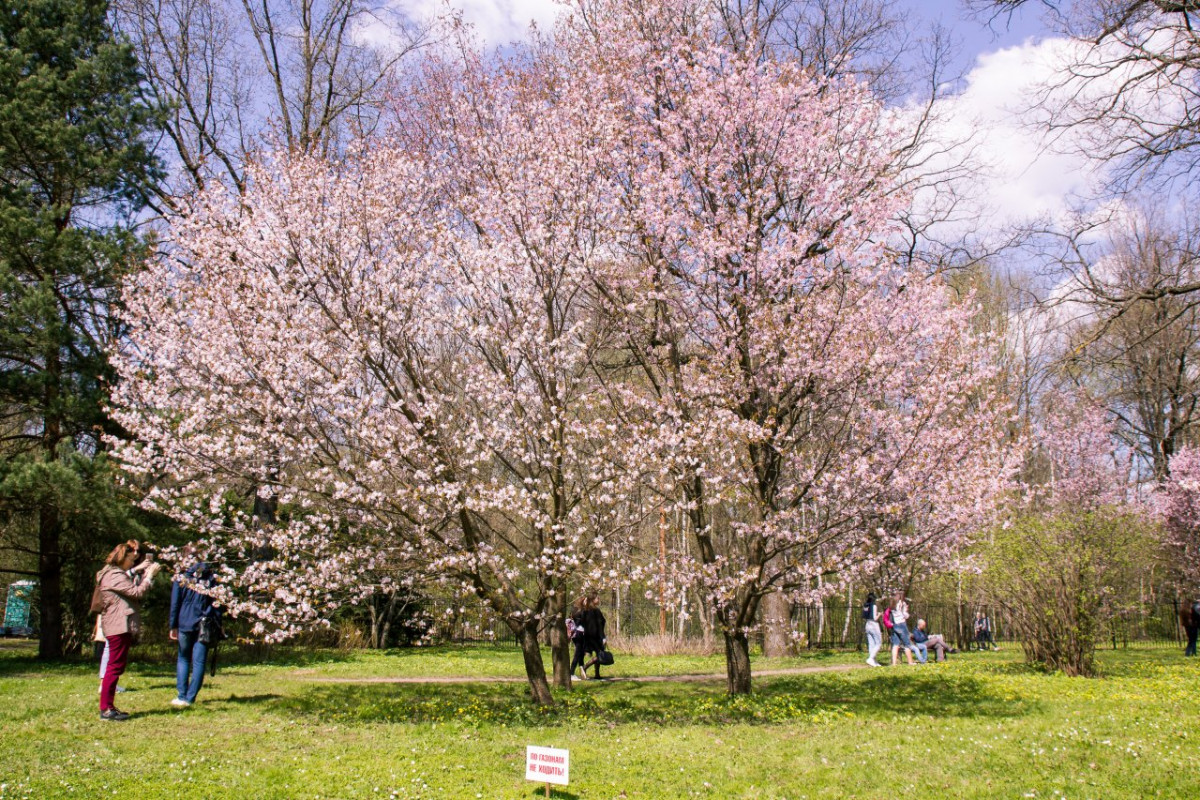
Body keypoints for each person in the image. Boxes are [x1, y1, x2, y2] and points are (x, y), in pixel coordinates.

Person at [95, 540, 162, 721]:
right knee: (114, 667)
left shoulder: (112, 573)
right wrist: (149, 577)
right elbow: (137, 593)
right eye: (132, 559)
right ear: (123, 557)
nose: (133, 562)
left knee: (116, 666)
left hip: (118, 624)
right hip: (118, 625)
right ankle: (106, 708)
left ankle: (109, 706)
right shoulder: (114, 575)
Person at [169, 547, 221, 708]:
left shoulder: (182, 578)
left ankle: (182, 695)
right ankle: (191, 698)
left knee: (183, 658)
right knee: (199, 662)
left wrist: (173, 625)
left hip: (184, 621)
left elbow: (175, 603)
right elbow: (217, 604)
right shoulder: (211, 578)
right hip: (205, 623)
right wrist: (219, 624)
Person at [581, 593, 608, 679]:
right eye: (597, 598)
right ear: (593, 600)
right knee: (599, 655)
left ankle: (597, 674)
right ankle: (585, 667)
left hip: (590, 636)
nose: (599, 600)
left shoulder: (590, 610)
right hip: (595, 636)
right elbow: (600, 625)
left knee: (599, 654)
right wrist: (603, 637)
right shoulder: (594, 611)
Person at [889, 592, 915, 666]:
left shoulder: (892, 605)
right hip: (902, 625)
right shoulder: (902, 604)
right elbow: (905, 615)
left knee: (895, 644)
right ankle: (910, 662)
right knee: (907, 644)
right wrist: (906, 610)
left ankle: (894, 663)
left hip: (895, 625)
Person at [569, 596, 591, 680]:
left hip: (580, 633)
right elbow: (582, 622)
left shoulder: (581, 610)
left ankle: (582, 673)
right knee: (578, 653)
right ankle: (571, 673)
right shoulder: (580, 610)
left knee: (581, 653)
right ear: (582, 601)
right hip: (578, 633)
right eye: (586, 601)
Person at [862, 592, 882, 667]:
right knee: (878, 643)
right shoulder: (873, 606)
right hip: (874, 625)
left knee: (871, 644)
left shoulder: (866, 605)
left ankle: (873, 661)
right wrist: (879, 614)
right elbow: (874, 618)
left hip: (867, 625)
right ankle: (870, 658)